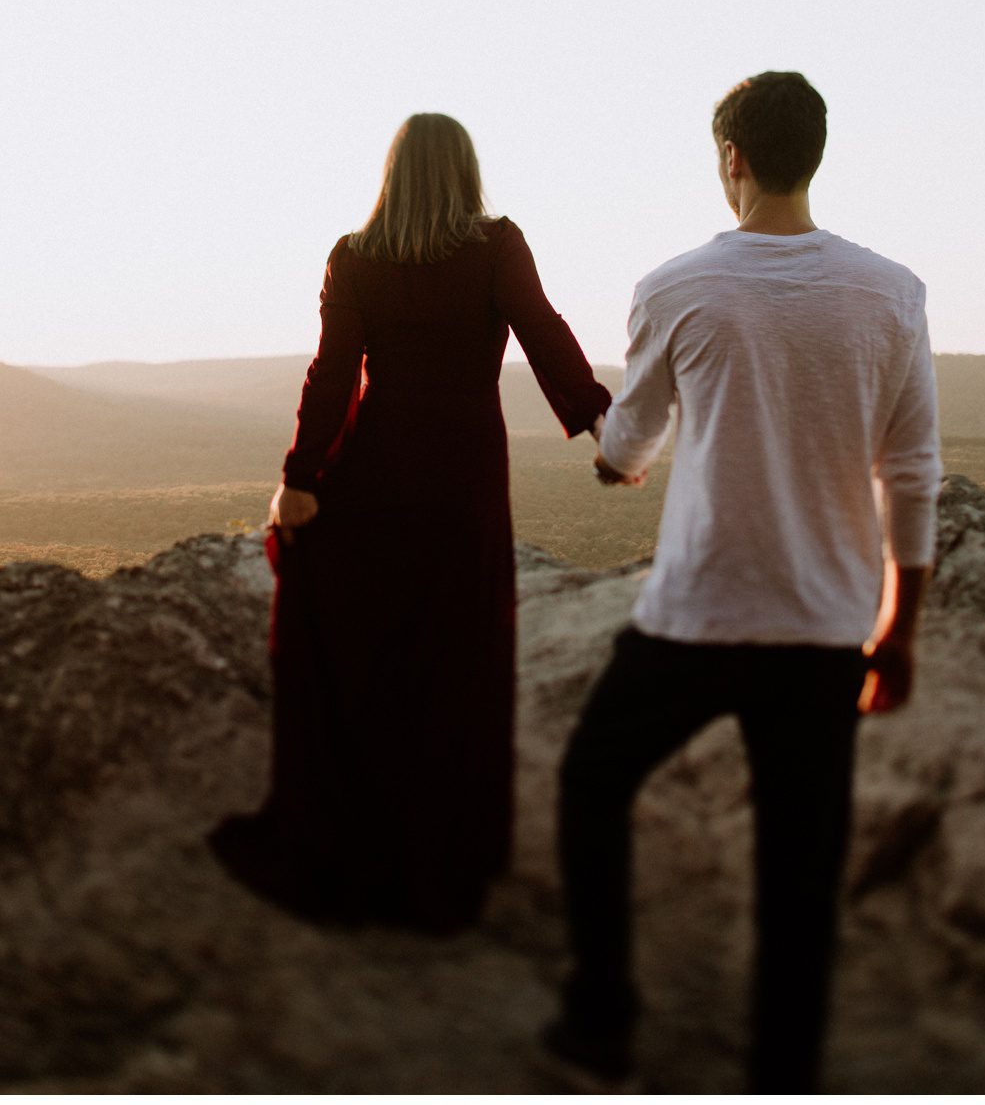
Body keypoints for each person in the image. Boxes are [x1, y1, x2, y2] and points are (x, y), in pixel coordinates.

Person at [545, 71, 942, 1092]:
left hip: (696, 615)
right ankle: (782, 1074)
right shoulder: (892, 292)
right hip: (824, 627)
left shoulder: (675, 286)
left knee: (592, 780)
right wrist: (897, 628)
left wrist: (615, 463)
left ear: (732, 158)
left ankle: (601, 1014)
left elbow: (631, 440)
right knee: (800, 871)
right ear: (812, 154)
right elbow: (910, 471)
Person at [210, 112, 612, 935]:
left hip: (376, 470)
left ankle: (352, 837)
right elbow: (544, 331)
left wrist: (299, 480)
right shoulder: (497, 246)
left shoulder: (354, 256)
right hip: (464, 477)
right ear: (465, 172)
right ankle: (443, 867)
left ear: (393, 175)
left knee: (368, 654)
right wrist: (604, 422)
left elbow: (331, 374)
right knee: (455, 661)